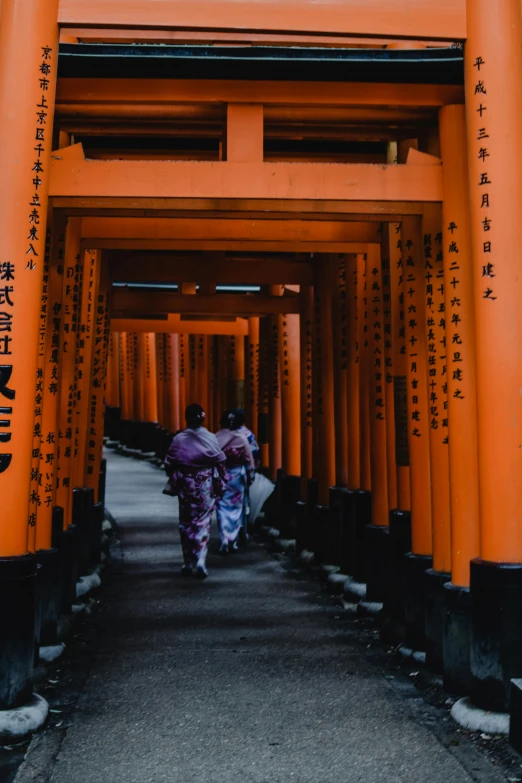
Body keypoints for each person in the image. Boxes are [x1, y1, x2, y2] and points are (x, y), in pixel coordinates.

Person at [164, 403, 227, 579]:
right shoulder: (210, 437)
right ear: (203, 418)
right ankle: (200, 559)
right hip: (204, 484)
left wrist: (177, 475)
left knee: (186, 521)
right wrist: (222, 480)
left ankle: (187, 562)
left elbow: (169, 463)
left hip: (186, 484)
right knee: (203, 521)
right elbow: (220, 461)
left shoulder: (178, 439)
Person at [215, 410, 255, 555]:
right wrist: (250, 476)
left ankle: (224, 538)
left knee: (221, 508)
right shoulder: (241, 438)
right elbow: (249, 460)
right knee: (236, 509)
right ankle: (232, 539)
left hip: (221, 475)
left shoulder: (216, 438)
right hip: (236, 476)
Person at [235, 408, 260, 540]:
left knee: (228, 504)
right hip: (243, 472)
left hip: (228, 473)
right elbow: (254, 453)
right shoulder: (248, 434)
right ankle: (242, 529)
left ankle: (229, 531)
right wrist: (253, 467)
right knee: (243, 501)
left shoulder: (226, 434)